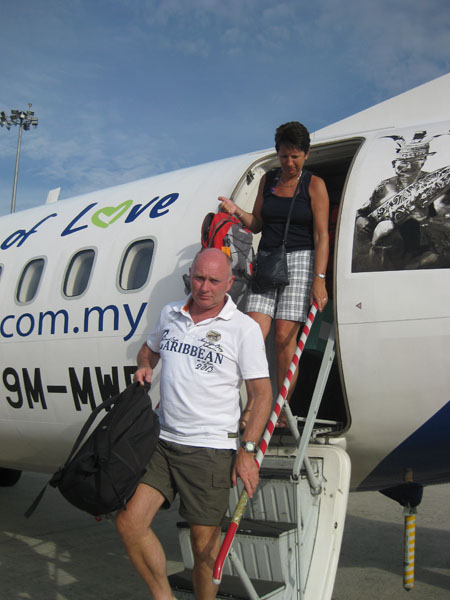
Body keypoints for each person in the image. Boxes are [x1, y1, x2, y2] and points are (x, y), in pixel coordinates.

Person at [115, 248, 272, 600]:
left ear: (229, 283)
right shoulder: (171, 313)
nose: (204, 287)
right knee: (129, 522)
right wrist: (145, 365)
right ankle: (163, 596)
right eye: (199, 278)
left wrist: (247, 451)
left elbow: (261, 394)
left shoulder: (243, 329)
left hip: (210, 449)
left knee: (205, 549)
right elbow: (149, 349)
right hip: (162, 442)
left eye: (214, 281)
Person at [219, 121, 329, 427]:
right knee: (254, 333)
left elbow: (322, 236)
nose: (289, 163)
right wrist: (235, 211)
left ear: (306, 154)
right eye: (284, 156)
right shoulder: (268, 181)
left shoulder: (314, 185)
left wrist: (319, 280)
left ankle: (281, 407)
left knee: (283, 337)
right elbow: (256, 224)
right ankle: (254, 404)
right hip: (267, 260)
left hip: (300, 261)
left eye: (295, 156)